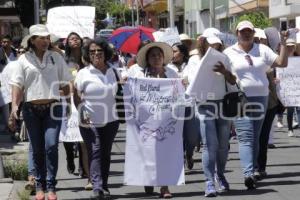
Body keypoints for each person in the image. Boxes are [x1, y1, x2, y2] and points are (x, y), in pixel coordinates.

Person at [9, 24, 72, 200]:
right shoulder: (23, 60)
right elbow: (17, 84)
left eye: (47, 38)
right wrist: (14, 106)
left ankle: (51, 185)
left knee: (51, 146)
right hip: (31, 109)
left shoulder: (56, 58)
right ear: (32, 40)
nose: (45, 41)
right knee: (37, 149)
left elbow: (66, 83)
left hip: (54, 108)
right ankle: (39, 185)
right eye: (41, 38)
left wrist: (63, 98)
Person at [223, 20, 288, 189]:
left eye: (249, 31)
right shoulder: (228, 52)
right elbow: (220, 73)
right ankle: (248, 173)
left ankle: (251, 171)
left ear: (253, 34)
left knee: (256, 137)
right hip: (240, 98)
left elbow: (282, 63)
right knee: (245, 136)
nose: (246, 34)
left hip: (261, 98)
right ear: (236, 33)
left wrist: (283, 42)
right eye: (242, 31)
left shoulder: (263, 49)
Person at [185, 28, 236, 197]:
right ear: (203, 43)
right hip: (204, 104)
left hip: (223, 104)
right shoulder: (194, 60)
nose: (215, 47)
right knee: (209, 144)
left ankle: (220, 175)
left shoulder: (225, 58)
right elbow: (190, 82)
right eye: (211, 44)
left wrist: (224, 71)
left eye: (217, 45)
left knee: (223, 144)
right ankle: (209, 182)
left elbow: (233, 80)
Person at [127, 42, 177, 198]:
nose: (156, 58)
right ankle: (148, 179)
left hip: (167, 120)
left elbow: (180, 95)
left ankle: (164, 186)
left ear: (163, 58)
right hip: (145, 121)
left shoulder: (172, 74)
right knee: (148, 152)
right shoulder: (139, 76)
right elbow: (131, 96)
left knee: (164, 153)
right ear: (147, 59)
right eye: (153, 55)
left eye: (159, 55)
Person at [73, 38, 120, 199]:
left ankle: (104, 186)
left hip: (111, 120)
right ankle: (97, 187)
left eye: (99, 51)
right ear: (88, 54)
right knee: (95, 151)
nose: (96, 54)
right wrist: (82, 112)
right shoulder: (83, 73)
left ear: (105, 53)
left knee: (105, 154)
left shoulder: (114, 71)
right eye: (92, 51)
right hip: (89, 120)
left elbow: (123, 89)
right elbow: (76, 95)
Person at [168, 43, 199, 170]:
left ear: (182, 53)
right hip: (174, 106)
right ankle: (179, 160)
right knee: (177, 136)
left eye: (174, 51)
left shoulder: (191, 65)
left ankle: (189, 154)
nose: (172, 54)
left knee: (192, 136)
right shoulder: (167, 68)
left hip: (190, 104)